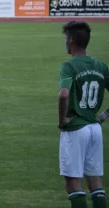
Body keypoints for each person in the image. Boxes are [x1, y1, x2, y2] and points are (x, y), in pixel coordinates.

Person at [58, 21, 109, 208]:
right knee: (95, 182)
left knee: (73, 182)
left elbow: (64, 94)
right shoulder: (101, 66)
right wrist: (103, 116)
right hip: (94, 128)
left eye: (65, 39)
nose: (64, 42)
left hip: (76, 129)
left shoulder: (68, 66)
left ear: (71, 40)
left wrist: (62, 119)